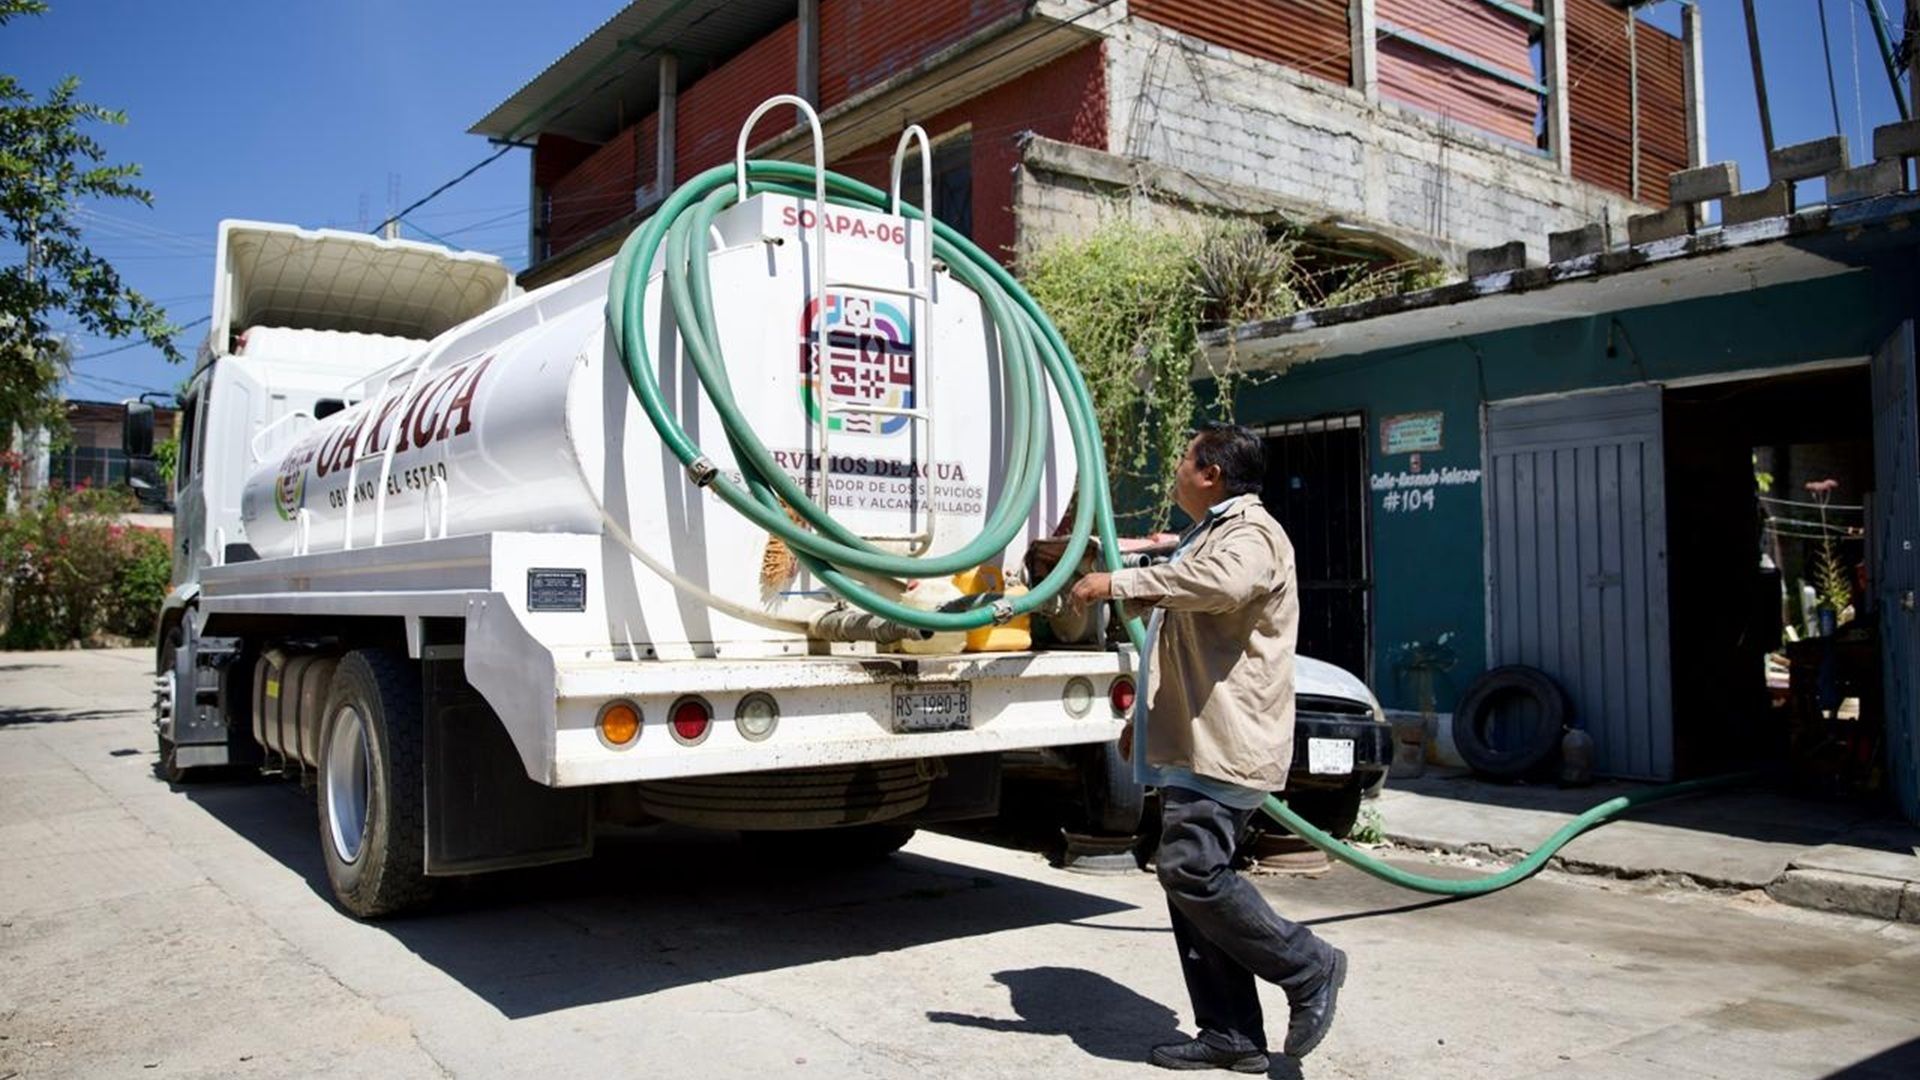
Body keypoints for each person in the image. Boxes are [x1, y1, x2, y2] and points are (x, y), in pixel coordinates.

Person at [1070, 423, 1346, 1073]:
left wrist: (1118, 584)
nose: (1175, 471)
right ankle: (1231, 1034)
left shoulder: (1251, 534)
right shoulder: (1212, 532)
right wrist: (1146, 720)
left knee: (1190, 868)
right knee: (1188, 885)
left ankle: (1308, 967)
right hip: (1194, 737)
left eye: (1184, 461)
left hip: (1228, 740)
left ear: (1212, 474)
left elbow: (1218, 588)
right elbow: (1185, 639)